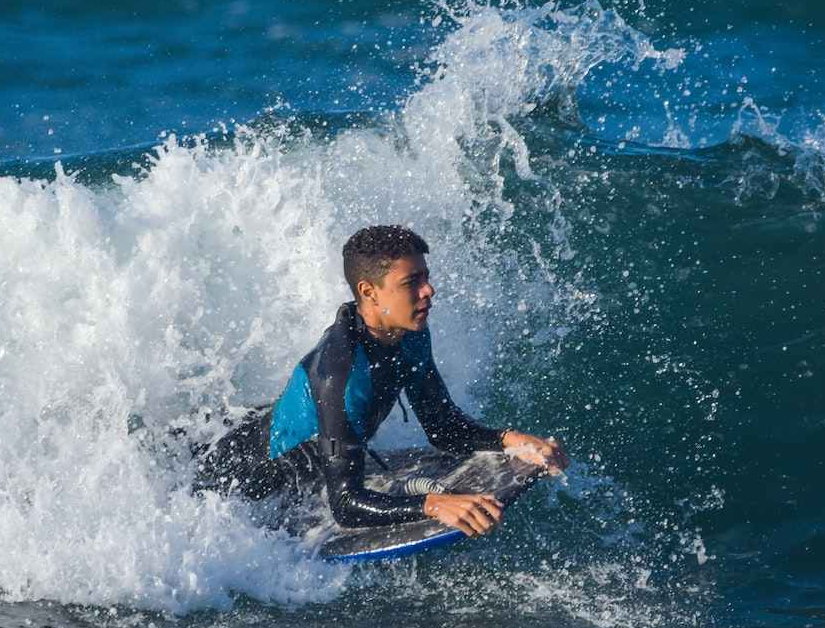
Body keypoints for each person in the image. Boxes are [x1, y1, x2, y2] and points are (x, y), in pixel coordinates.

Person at [194, 225, 568, 538]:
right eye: (412, 282)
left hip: (309, 451)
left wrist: (508, 440)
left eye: (426, 277)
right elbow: (346, 505)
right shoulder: (341, 372)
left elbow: (442, 428)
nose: (428, 291)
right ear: (369, 293)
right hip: (244, 481)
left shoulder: (410, 332)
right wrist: (434, 504)